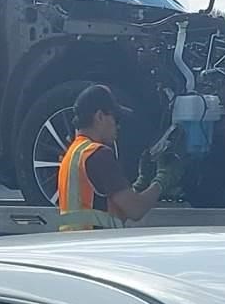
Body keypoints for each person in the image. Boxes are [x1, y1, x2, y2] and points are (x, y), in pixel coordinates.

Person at [53, 84, 174, 223]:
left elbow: (111, 206)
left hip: (76, 241)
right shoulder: (99, 155)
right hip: (98, 242)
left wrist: (142, 182)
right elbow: (135, 210)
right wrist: (162, 180)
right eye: (116, 119)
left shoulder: (72, 155)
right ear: (99, 117)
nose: (118, 126)